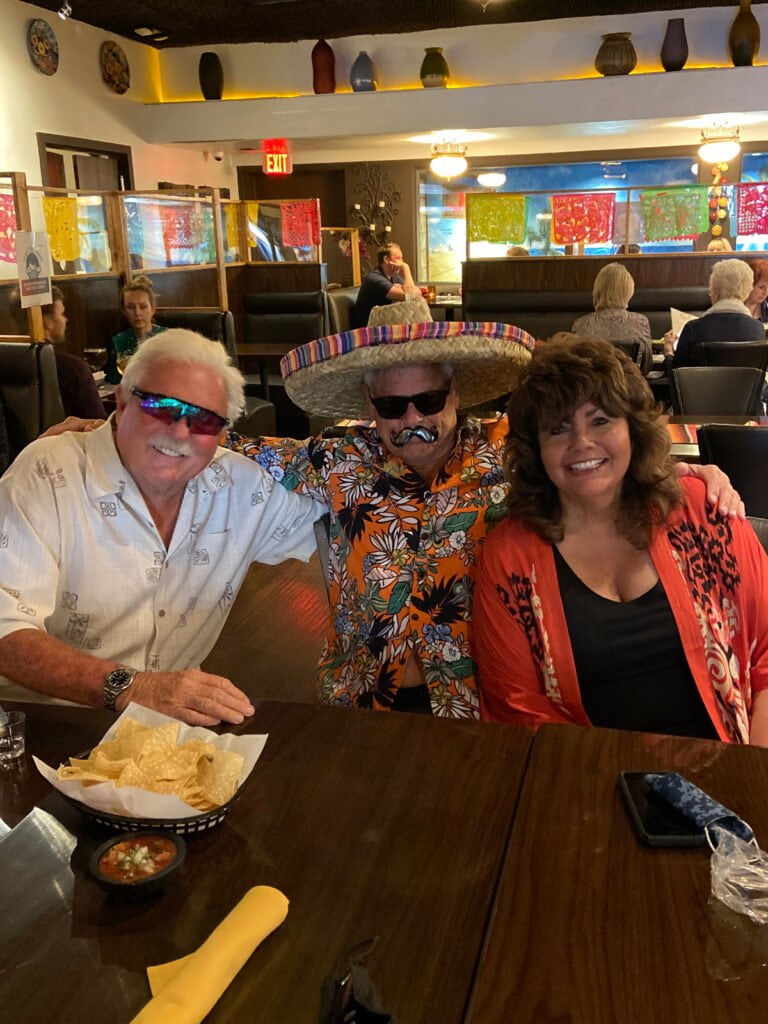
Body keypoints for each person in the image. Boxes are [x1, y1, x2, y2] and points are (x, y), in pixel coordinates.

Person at [222, 321, 740, 719]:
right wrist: (152, 406)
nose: (412, 419)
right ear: (368, 404)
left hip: (483, 707)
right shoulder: (334, 461)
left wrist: (686, 472)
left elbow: (592, 461)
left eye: (428, 400)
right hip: (362, 704)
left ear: (456, 393)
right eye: (391, 405)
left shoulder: (508, 454)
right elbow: (219, 443)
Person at [0, 330, 321, 724]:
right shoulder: (48, 474)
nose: (180, 432)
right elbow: (5, 629)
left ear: (222, 435)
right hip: (43, 725)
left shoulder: (241, 485)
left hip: (167, 730)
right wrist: (132, 687)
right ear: (121, 399)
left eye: (204, 421)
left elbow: (352, 514)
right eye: (161, 406)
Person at [473, 336, 768, 745]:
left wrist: (753, 775)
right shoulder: (509, 556)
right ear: (535, 449)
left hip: (725, 767)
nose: (582, 444)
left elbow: (766, 655)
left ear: (633, 427)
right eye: (558, 429)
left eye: (600, 420)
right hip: (585, 779)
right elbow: (516, 707)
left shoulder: (704, 511)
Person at [664, 258, 765, 368]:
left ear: (715, 292)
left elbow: (676, 376)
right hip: (745, 386)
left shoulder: (693, 329)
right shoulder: (757, 329)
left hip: (701, 385)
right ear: (746, 292)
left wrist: (668, 351)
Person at [571, 262, 652, 375]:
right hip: (629, 390)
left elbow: (576, 370)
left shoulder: (580, 324)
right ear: (628, 291)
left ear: (597, 290)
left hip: (591, 391)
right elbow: (646, 368)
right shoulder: (641, 322)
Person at [41, 286, 106, 420]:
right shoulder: (74, 368)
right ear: (47, 321)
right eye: (62, 314)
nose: (66, 320)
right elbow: (97, 424)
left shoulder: (8, 362)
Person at [104, 275, 166, 384]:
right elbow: (113, 380)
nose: (137, 313)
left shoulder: (169, 338)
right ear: (124, 311)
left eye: (143, 307)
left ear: (152, 309)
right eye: (131, 307)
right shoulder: (117, 341)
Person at [351, 243, 419, 329]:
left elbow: (416, 293)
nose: (401, 262)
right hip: (369, 329)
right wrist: (406, 268)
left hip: (385, 323)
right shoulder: (374, 279)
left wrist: (403, 290)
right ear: (386, 259)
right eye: (398, 258)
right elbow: (408, 295)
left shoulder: (394, 277)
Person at [745, 258, 768, 323]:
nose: (766, 293)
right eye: (761, 287)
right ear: (748, 285)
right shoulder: (734, 310)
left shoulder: (766, 307)